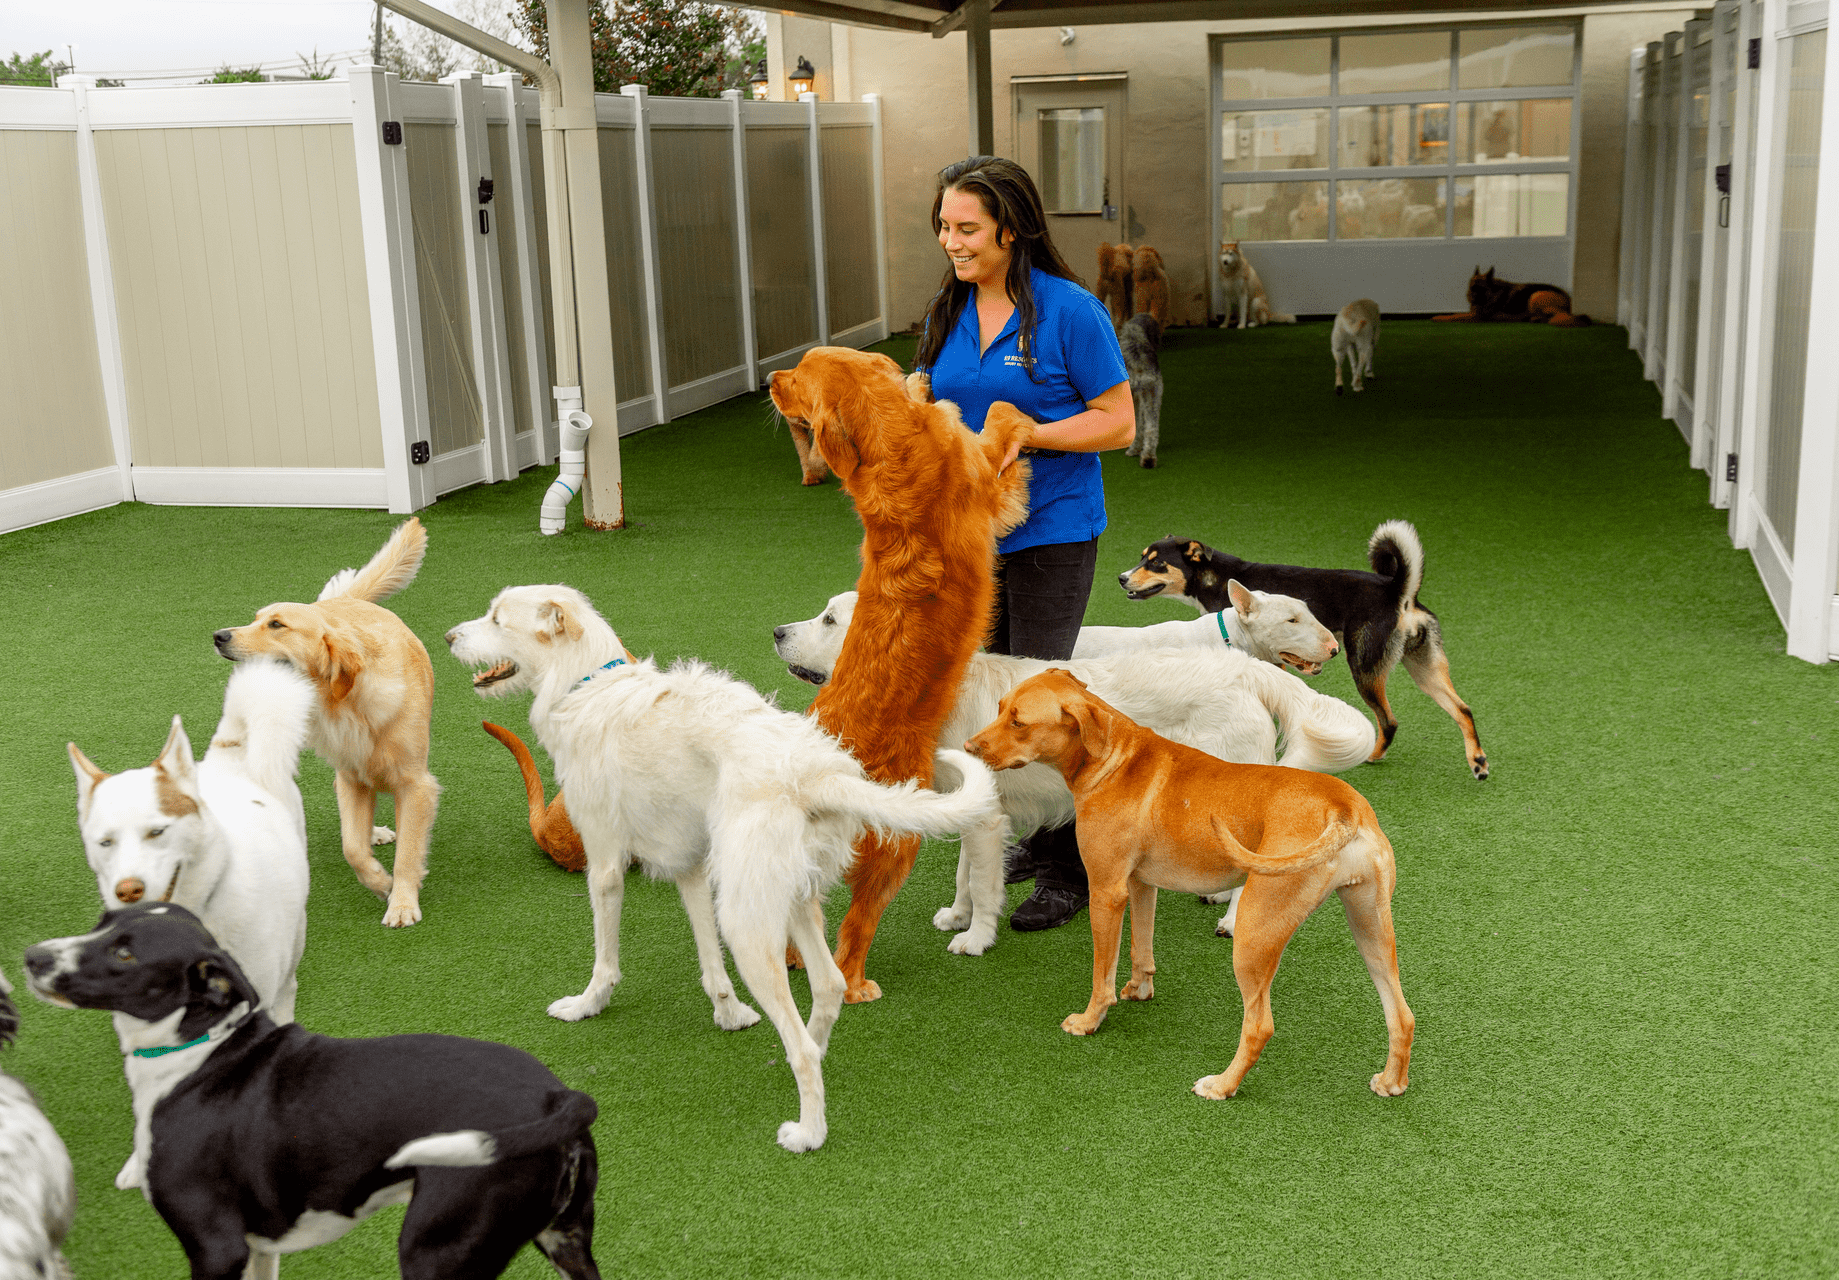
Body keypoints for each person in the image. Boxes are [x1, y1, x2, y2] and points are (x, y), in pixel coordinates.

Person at [913, 156, 1135, 932]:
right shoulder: (948, 308)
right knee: (979, 699)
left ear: (1012, 229)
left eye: (966, 228)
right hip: (967, 542)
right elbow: (927, 405)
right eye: (943, 226)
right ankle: (1012, 834)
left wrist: (1029, 434)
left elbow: (1117, 419)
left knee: (1042, 710)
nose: (950, 240)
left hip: (1053, 535)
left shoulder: (1071, 312)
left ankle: (1066, 868)